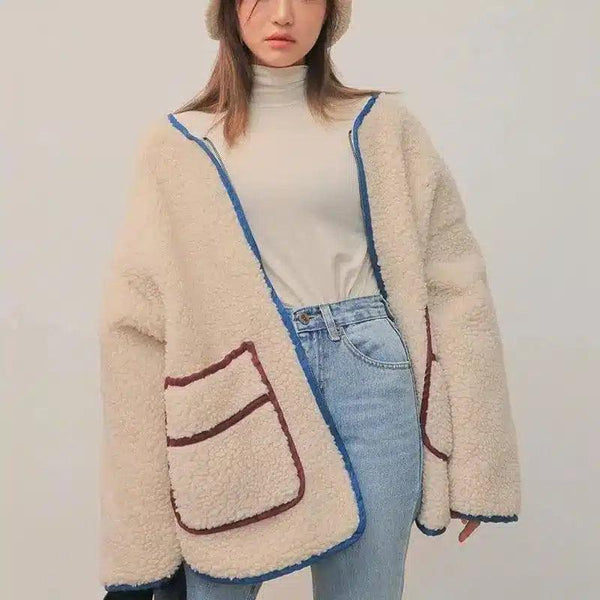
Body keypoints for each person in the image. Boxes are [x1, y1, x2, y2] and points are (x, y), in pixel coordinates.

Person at [99, 1, 522, 599]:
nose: (283, 15)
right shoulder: (178, 144)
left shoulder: (383, 126)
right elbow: (136, 327)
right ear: (227, 10)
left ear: (331, 12)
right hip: (231, 382)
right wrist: (137, 538)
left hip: (371, 376)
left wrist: (479, 465)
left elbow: (456, 288)